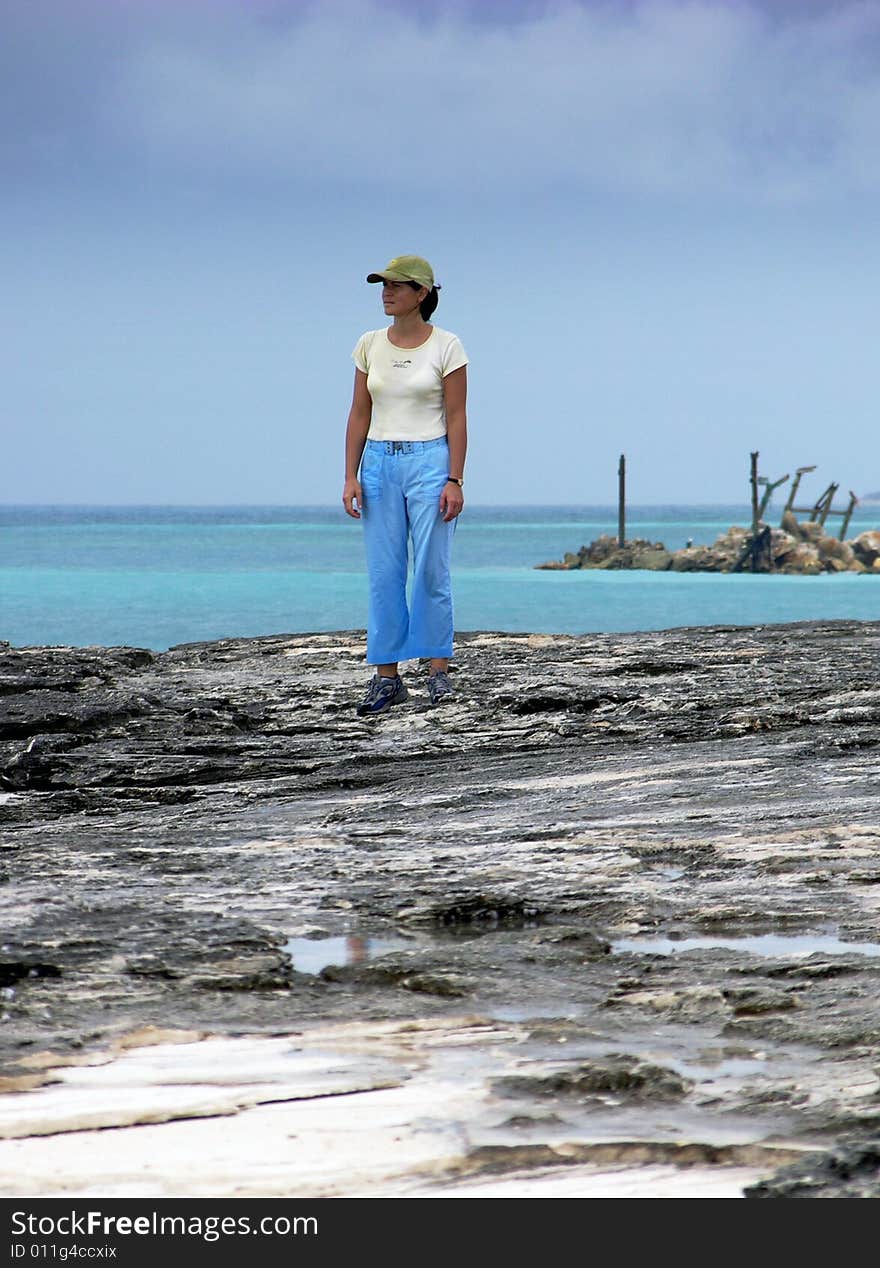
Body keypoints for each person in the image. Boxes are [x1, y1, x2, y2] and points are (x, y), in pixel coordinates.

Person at [342, 254, 468, 716]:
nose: (386, 292)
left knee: (432, 569)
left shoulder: (447, 346)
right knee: (384, 571)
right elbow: (359, 412)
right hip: (378, 462)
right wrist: (350, 474)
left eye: (397, 285)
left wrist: (454, 478)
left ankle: (438, 672)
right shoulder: (369, 344)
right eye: (383, 284)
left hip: (430, 460)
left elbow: (457, 417)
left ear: (423, 294)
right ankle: (387, 678)